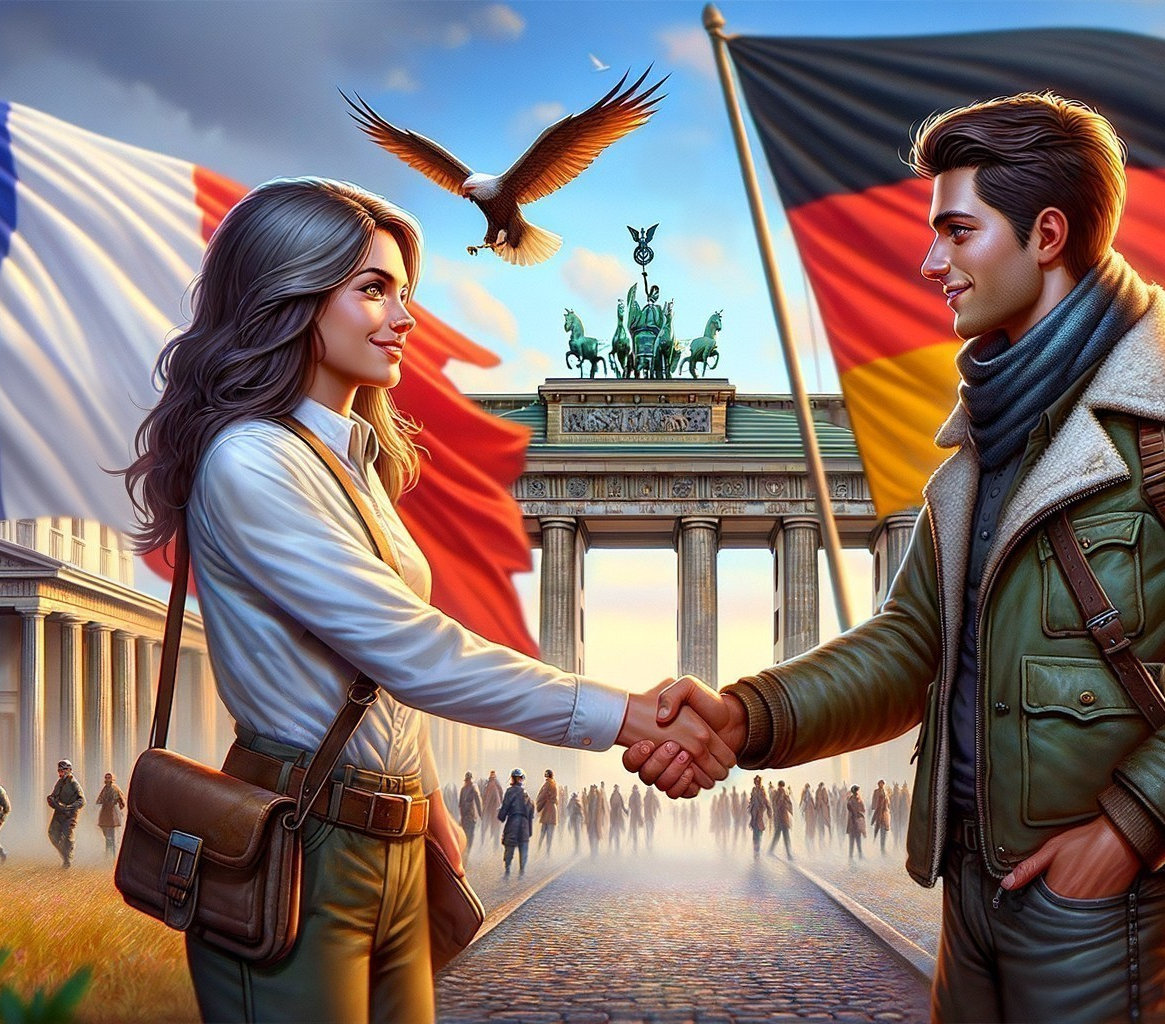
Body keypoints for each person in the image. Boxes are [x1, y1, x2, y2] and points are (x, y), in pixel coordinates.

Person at [628, 92, 1165, 1021]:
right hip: (972, 886)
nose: (932, 262)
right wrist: (746, 716)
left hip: (1107, 901)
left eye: (957, 232)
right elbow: (908, 645)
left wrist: (1127, 831)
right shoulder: (983, 437)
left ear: (1047, 234)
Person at [119, 177, 734, 1022]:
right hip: (301, 840)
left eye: (404, 292)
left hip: (394, 843)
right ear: (287, 296)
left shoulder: (353, 458)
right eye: (373, 290)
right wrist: (627, 714)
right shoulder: (252, 460)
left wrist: (430, 807)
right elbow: (410, 650)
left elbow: (367, 679)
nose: (406, 318)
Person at [45, 759, 84, 869]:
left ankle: (68, 859)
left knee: (68, 836)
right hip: (59, 813)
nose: (61, 773)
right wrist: (51, 800)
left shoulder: (74, 783)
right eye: (60, 770)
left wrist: (70, 807)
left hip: (70, 815)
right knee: (52, 834)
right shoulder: (60, 782)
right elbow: (54, 795)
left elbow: (82, 800)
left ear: (69, 770)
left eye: (63, 770)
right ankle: (65, 855)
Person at [498, 768, 535, 877]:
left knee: (509, 846)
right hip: (523, 824)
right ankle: (522, 871)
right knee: (523, 847)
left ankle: (507, 870)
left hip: (513, 822)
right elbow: (531, 810)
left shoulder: (510, 792)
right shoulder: (526, 794)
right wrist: (529, 829)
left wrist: (501, 816)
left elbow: (505, 806)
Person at [96, 771, 126, 858]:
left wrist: (117, 805)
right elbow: (100, 799)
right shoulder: (105, 788)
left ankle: (112, 854)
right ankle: (108, 852)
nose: (107, 779)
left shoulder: (115, 788)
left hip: (112, 812)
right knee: (106, 833)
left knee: (111, 836)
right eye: (106, 778)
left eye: (109, 778)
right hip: (105, 812)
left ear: (112, 779)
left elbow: (121, 800)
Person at [458, 771, 482, 861]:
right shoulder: (473, 788)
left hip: (465, 817)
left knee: (467, 835)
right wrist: (480, 814)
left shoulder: (463, 789)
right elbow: (478, 802)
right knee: (469, 836)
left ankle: (465, 853)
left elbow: (460, 804)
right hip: (470, 817)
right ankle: (466, 854)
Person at [536, 769, 560, 858]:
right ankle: (547, 852)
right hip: (552, 810)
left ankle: (539, 851)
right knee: (549, 834)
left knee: (543, 833)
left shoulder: (547, 784)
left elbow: (542, 796)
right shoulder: (554, 784)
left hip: (547, 809)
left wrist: (538, 804)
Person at [769, 780, 795, 860]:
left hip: (780, 817)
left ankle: (771, 850)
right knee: (785, 836)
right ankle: (789, 855)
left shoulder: (776, 793)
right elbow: (789, 804)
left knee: (778, 835)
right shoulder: (782, 793)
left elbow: (775, 802)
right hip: (782, 817)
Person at [747, 776, 771, 861]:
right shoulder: (753, 790)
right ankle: (755, 851)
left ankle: (757, 851)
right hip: (754, 814)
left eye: (758, 782)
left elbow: (765, 801)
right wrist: (749, 806)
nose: (757, 783)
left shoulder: (762, 790)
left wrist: (768, 810)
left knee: (759, 832)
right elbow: (751, 799)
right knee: (755, 833)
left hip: (760, 814)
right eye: (756, 782)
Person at [481, 770, 505, 847]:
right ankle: (495, 846)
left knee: (487, 829)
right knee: (495, 829)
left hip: (491, 810)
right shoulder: (497, 785)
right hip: (496, 810)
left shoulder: (491, 785)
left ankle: (486, 846)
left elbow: (488, 799)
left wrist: (484, 809)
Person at [870, 779, 892, 856]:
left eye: (882, 784)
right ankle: (876, 848)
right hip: (879, 814)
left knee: (883, 832)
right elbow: (874, 801)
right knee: (877, 831)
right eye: (880, 783)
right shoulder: (876, 792)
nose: (881, 785)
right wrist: (873, 807)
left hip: (884, 816)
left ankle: (882, 848)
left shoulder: (885, 793)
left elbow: (888, 804)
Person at [845, 786, 867, 861]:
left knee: (857, 839)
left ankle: (859, 855)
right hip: (853, 821)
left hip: (856, 821)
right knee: (853, 840)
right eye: (856, 791)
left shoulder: (855, 799)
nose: (857, 792)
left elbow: (863, 809)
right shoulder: (852, 800)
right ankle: (851, 856)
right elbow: (852, 809)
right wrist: (857, 813)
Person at [566, 790, 584, 855]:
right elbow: (568, 809)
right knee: (576, 835)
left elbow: (579, 811)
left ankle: (577, 849)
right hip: (574, 819)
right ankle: (576, 849)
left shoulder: (575, 802)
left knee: (576, 835)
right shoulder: (574, 802)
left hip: (575, 820)